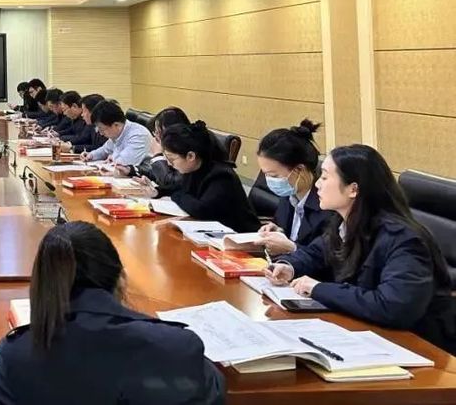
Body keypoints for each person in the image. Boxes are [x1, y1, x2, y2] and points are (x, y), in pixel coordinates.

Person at [0, 221, 224, 405]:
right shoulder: (177, 345)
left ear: (43, 287)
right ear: (121, 279)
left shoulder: (21, 354)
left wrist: (8, 341)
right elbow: (214, 387)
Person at [266, 145, 455, 353]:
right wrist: (288, 266)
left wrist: (318, 288)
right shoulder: (344, 222)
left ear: (353, 189)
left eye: (325, 177)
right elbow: (315, 253)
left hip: (420, 345)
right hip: (369, 332)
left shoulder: (403, 239)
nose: (317, 184)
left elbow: (392, 306)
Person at [138, 121, 260, 232]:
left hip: (238, 237)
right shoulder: (195, 167)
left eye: (172, 159)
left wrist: (176, 195)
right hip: (211, 232)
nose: (169, 164)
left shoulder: (221, 176)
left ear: (190, 156)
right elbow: (176, 187)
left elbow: (201, 210)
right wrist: (157, 191)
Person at [255, 120, 330, 254]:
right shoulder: (289, 195)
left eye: (274, 175)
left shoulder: (327, 205)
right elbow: (285, 229)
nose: (269, 181)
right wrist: (277, 231)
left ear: (299, 169)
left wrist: (292, 248)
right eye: (265, 174)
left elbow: (326, 257)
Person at [83, 101, 152, 175]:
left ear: (116, 125)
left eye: (102, 129)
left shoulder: (138, 135)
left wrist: (113, 157)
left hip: (140, 178)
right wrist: (91, 155)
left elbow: (123, 164)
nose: (101, 133)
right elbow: (105, 149)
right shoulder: (117, 133)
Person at [133, 107, 186, 191]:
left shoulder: (186, 152)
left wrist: (157, 155)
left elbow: (171, 182)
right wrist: (131, 170)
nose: (156, 137)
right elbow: (155, 173)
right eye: (155, 132)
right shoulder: (171, 148)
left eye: (159, 132)